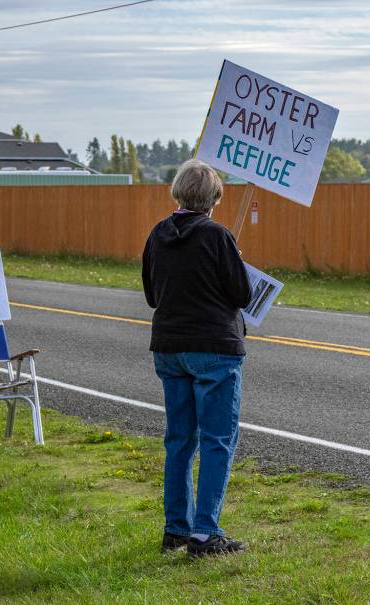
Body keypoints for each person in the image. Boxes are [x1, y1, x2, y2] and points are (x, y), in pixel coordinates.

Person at [141, 158, 251, 557]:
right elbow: (241, 294)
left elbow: (153, 295)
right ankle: (205, 534)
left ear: (178, 192)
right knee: (218, 440)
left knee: (179, 440)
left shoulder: (157, 235)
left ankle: (176, 528)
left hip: (169, 347)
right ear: (214, 199)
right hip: (213, 349)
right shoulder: (218, 236)